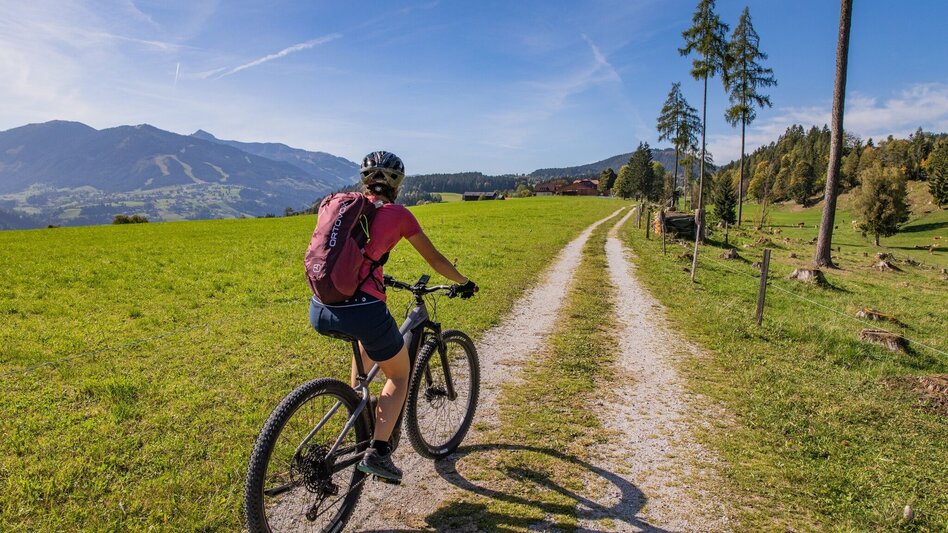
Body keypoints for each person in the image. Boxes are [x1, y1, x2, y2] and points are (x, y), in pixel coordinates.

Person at [308, 150, 477, 482]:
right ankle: (379, 452)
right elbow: (435, 260)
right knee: (399, 374)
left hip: (322, 306)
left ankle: (359, 418)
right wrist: (464, 281)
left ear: (365, 181)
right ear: (397, 184)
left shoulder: (343, 207)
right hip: (362, 309)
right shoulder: (399, 215)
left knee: (365, 355)